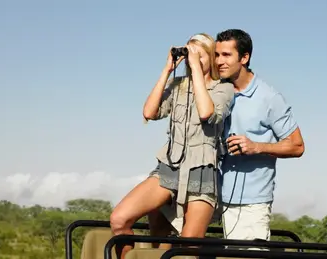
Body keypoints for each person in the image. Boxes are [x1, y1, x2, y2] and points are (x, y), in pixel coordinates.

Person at [108, 33, 235, 258]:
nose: (192, 59)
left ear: (211, 59)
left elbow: (207, 112)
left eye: (199, 55)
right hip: (169, 166)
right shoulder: (177, 85)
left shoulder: (223, 88)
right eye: (189, 54)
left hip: (201, 172)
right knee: (119, 219)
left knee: (186, 249)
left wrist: (196, 69)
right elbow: (149, 112)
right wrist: (167, 70)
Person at [214, 29, 306, 242]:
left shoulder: (269, 98)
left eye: (226, 55)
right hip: (215, 196)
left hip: (250, 203)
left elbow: (297, 146)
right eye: (217, 55)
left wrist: (257, 146)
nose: (219, 61)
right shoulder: (217, 91)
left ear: (244, 58)